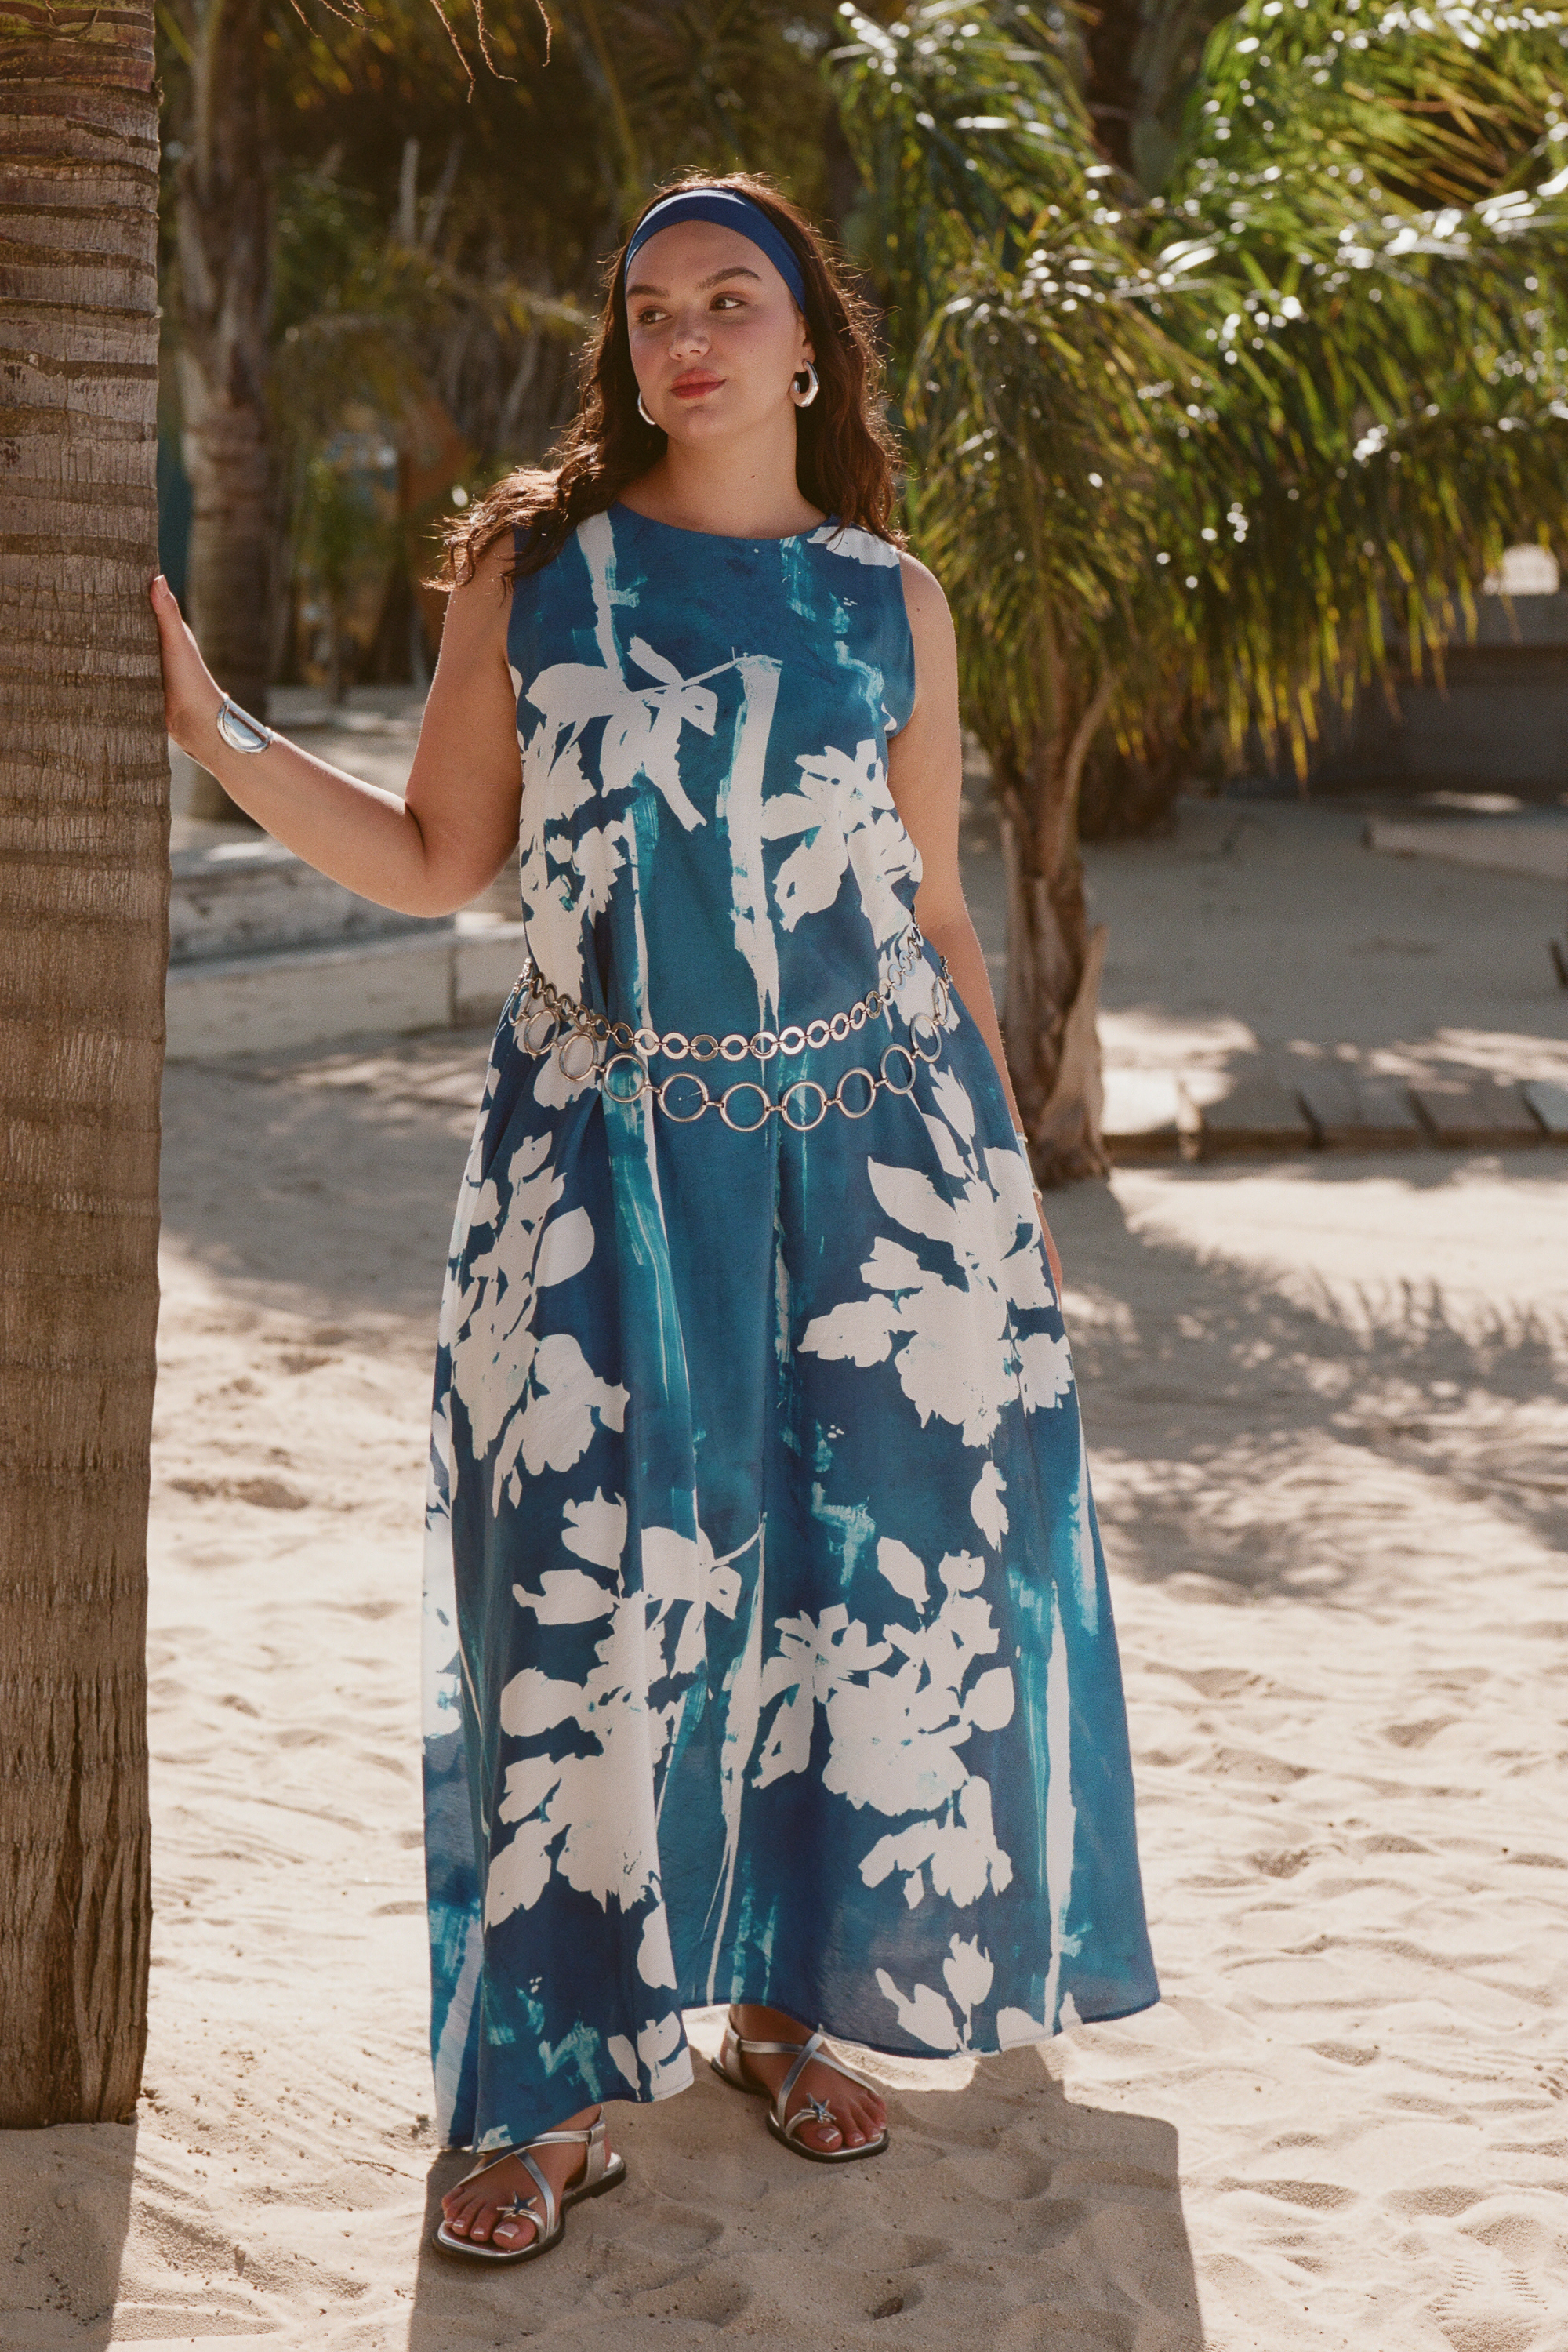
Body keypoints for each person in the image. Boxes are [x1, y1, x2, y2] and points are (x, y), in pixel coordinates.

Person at [153, 172, 1157, 2270]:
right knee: (569, 1614)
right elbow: (443, 859)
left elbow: (943, 916)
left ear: (809, 348)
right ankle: (535, 2086)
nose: (682, 336)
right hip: (593, 1168)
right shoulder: (543, 574)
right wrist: (215, 730)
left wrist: (1010, 1203)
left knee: (841, 1588)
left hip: (887, 1178)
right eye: (647, 306)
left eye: (731, 299)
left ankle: (796, 1998)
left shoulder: (894, 599)